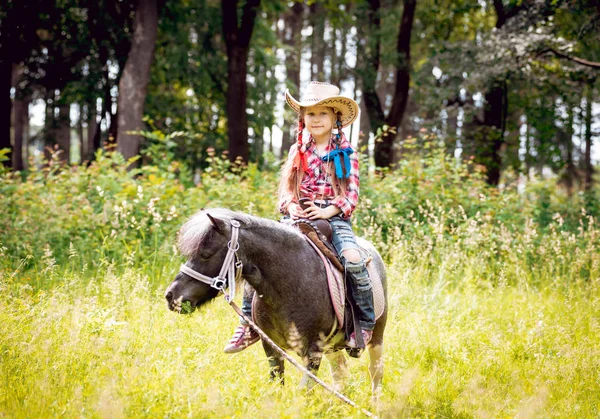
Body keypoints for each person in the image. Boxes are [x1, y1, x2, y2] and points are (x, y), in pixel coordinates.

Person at [223, 81, 375, 353]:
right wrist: (291, 206)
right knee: (257, 259)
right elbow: (287, 190)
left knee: (353, 261)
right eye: (310, 114)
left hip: (333, 219)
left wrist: (327, 211)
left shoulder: (345, 152)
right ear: (303, 118)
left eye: (323, 114)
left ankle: (362, 324)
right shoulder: (298, 151)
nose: (316, 119)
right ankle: (248, 324)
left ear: (335, 118)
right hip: (297, 218)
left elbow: (351, 194)